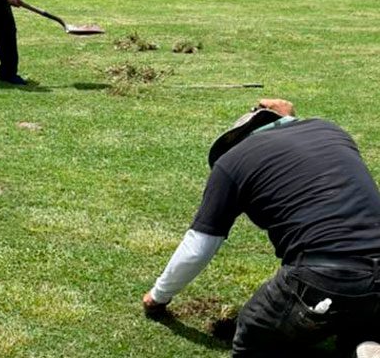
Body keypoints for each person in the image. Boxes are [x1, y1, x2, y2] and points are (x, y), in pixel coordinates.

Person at [142, 98, 380, 358]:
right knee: (361, 316)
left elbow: (197, 248)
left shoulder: (231, 163)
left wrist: (158, 295)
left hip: (323, 276)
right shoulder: (328, 130)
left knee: (253, 334)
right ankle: (367, 342)